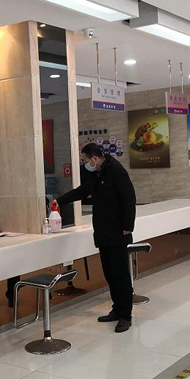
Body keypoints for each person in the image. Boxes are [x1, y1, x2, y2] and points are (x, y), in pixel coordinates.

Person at [55, 143, 136, 333]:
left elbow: (129, 199)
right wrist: (61, 200)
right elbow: (83, 191)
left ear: (94, 159)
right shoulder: (97, 173)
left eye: (85, 160)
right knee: (110, 275)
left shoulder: (116, 171)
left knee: (121, 276)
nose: (84, 164)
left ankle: (126, 315)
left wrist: (127, 227)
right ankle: (117, 309)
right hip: (103, 233)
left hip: (118, 233)